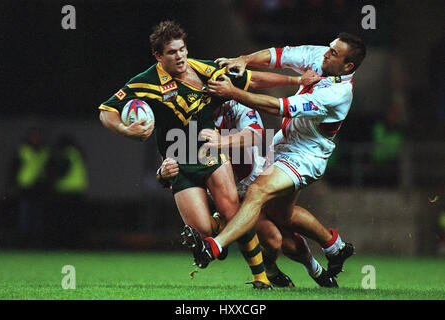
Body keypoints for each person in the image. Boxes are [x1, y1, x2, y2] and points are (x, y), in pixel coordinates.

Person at [98, 20, 320, 289]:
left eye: (182, 50)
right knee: (202, 231)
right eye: (171, 52)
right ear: (158, 56)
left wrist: (296, 80)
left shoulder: (205, 70)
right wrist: (125, 129)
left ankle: (260, 279)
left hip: (208, 154)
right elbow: (106, 110)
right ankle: (216, 232)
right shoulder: (145, 82)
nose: (179, 56)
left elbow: (252, 79)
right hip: (178, 162)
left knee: (233, 211)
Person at [183, 33, 367, 280]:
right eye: (330, 47)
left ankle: (213, 246)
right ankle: (334, 247)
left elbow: (278, 107)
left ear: (348, 66)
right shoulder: (321, 56)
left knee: (257, 194)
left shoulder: (338, 94)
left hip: (306, 155)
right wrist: (245, 59)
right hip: (282, 144)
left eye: (333, 52)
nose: (326, 52)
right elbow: (278, 55)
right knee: (282, 216)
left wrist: (233, 93)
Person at [162, 100, 337, 287]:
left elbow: (257, 134)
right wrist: (162, 174)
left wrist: (222, 141)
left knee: (288, 239)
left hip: (258, 180)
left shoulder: (235, 106)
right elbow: (171, 161)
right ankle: (269, 268)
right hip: (231, 195)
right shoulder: (186, 119)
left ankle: (318, 268)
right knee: (274, 240)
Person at [8, 127, 50, 247]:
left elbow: (48, 169)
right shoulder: (23, 150)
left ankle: (37, 241)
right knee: (24, 215)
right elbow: (14, 168)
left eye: (37, 137)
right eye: (33, 136)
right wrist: (12, 184)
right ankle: (23, 241)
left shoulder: (44, 151)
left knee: (38, 216)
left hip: (39, 187)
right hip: (25, 187)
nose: (36, 139)